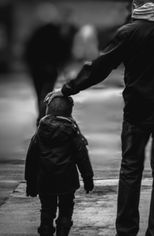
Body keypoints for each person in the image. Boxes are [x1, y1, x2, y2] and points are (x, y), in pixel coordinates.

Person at [46, 0, 154, 235]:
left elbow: (100, 67)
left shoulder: (129, 32)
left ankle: (126, 230)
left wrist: (68, 89)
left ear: (135, 5)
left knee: (130, 170)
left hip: (137, 112)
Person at [25, 96, 94, 236]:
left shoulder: (39, 134)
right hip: (67, 180)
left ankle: (46, 230)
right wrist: (88, 178)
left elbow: (31, 160)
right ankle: (63, 231)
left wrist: (30, 183)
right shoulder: (73, 133)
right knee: (66, 208)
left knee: (47, 209)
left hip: (45, 180)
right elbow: (82, 157)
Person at [24, 2, 77, 125]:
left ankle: (41, 116)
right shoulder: (56, 32)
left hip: (37, 69)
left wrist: (30, 65)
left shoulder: (36, 33)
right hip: (51, 68)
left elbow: (28, 51)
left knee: (39, 93)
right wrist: (61, 65)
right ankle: (45, 117)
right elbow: (63, 50)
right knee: (47, 92)